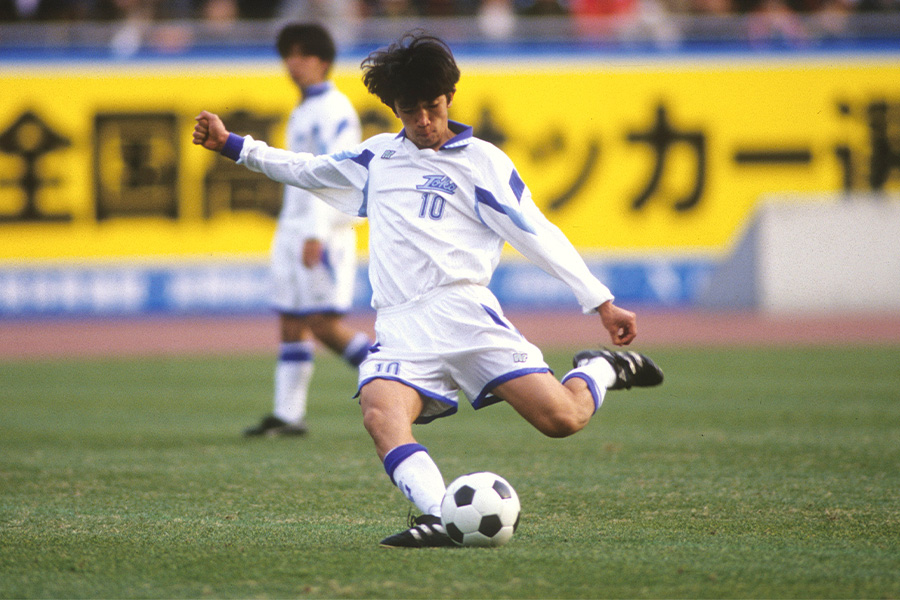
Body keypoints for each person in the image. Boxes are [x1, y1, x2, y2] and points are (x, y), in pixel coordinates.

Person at [193, 31, 663, 546]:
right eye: (410, 110)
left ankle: (599, 367)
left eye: (433, 108)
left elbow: (537, 233)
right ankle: (441, 514)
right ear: (393, 109)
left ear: (450, 98)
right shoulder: (378, 160)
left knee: (562, 419)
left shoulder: (481, 162)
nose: (423, 121)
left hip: (465, 315)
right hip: (400, 325)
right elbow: (307, 169)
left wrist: (600, 300)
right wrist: (235, 147)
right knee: (380, 413)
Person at [242, 23, 373, 437]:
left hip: (323, 231)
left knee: (323, 324)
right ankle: (288, 415)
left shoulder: (335, 111)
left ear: (324, 62)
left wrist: (316, 231)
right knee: (291, 321)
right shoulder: (304, 109)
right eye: (288, 55)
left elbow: (336, 173)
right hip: (293, 227)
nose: (293, 64)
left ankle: (395, 376)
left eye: (302, 55)